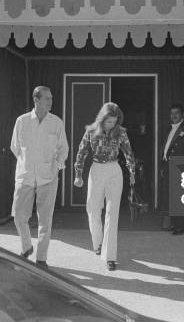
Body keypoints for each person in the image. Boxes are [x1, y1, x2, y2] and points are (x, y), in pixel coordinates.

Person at [10, 86, 68, 268]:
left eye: (51, 98)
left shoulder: (56, 122)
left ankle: (41, 259)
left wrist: (56, 166)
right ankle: (26, 246)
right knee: (19, 216)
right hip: (25, 176)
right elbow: (15, 148)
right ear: (36, 100)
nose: (51, 102)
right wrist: (26, 165)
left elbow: (63, 148)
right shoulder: (22, 121)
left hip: (48, 178)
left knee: (45, 220)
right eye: (47, 99)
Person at [74, 102, 135, 271]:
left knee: (112, 213)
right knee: (93, 209)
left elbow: (129, 153)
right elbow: (81, 152)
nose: (111, 125)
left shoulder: (120, 133)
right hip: (97, 169)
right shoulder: (91, 131)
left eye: (114, 121)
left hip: (114, 170)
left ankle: (110, 257)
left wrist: (132, 173)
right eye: (108, 121)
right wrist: (78, 174)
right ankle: (98, 243)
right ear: (102, 119)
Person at [159, 104, 184, 235]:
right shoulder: (169, 129)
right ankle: (174, 224)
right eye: (171, 113)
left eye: (176, 113)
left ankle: (180, 227)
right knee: (171, 197)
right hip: (169, 166)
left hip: (181, 167)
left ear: (182, 115)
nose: (173, 116)